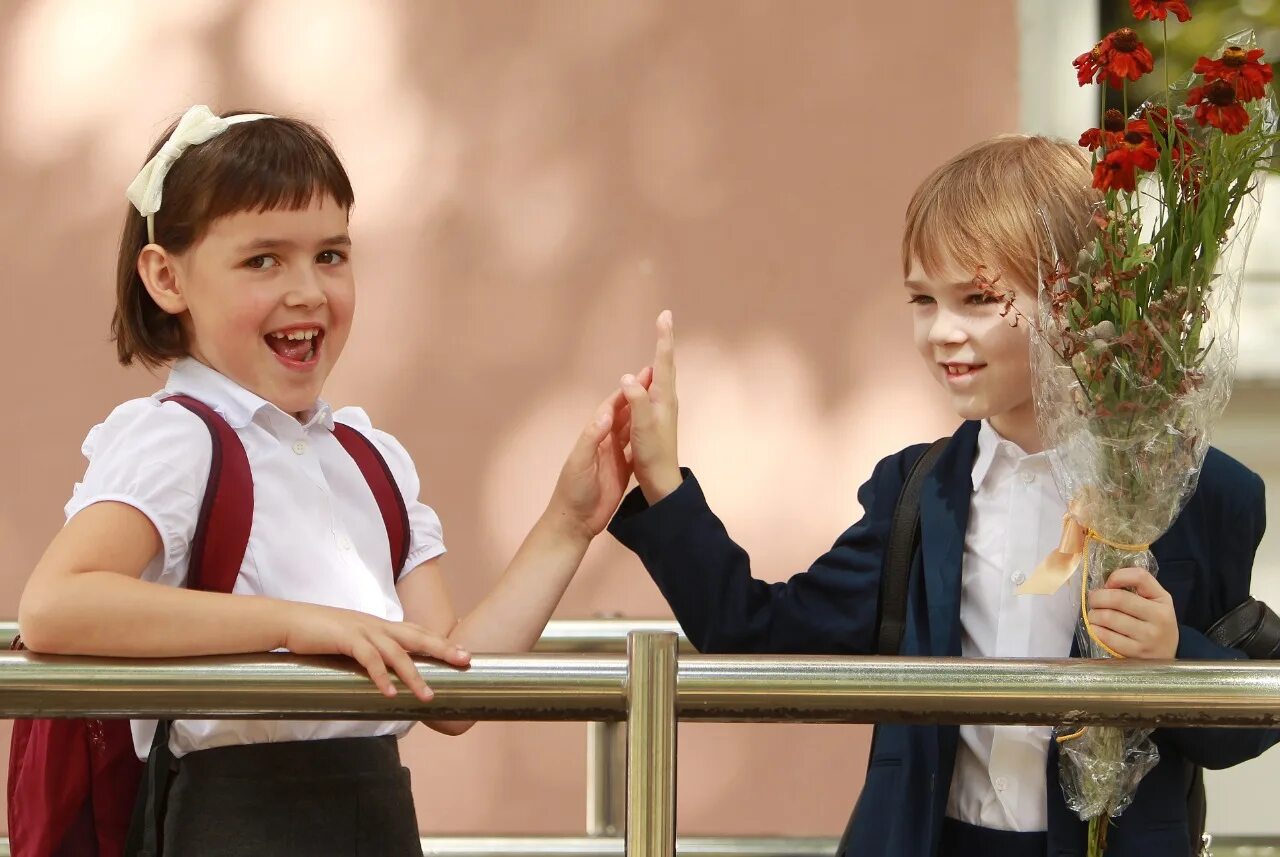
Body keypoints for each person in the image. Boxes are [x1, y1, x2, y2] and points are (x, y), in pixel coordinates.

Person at [608, 135, 1277, 857]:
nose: (942, 332)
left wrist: (1174, 659)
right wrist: (663, 481)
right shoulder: (914, 494)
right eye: (923, 300)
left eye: (980, 298)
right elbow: (753, 631)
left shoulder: (1201, 491)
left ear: (1078, 297)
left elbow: (1249, 722)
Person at [16, 104, 646, 855]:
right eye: (263, 260)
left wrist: (566, 523)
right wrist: (293, 625)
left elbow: (447, 688)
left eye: (331, 256)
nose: (309, 291)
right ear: (166, 276)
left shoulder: (370, 457)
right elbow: (57, 603)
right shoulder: (178, 437)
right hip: (233, 821)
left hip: (373, 815)